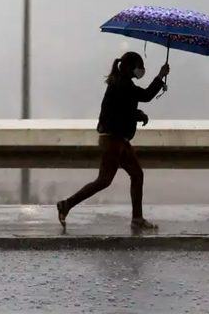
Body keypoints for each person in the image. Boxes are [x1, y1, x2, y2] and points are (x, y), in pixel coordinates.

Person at [56, 51, 169, 233]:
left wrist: (138, 115)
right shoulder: (122, 85)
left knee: (136, 175)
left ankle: (137, 219)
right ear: (131, 67)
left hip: (119, 140)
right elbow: (146, 96)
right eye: (140, 66)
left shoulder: (121, 84)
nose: (142, 70)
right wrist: (160, 76)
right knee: (104, 180)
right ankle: (66, 204)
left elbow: (124, 110)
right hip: (113, 141)